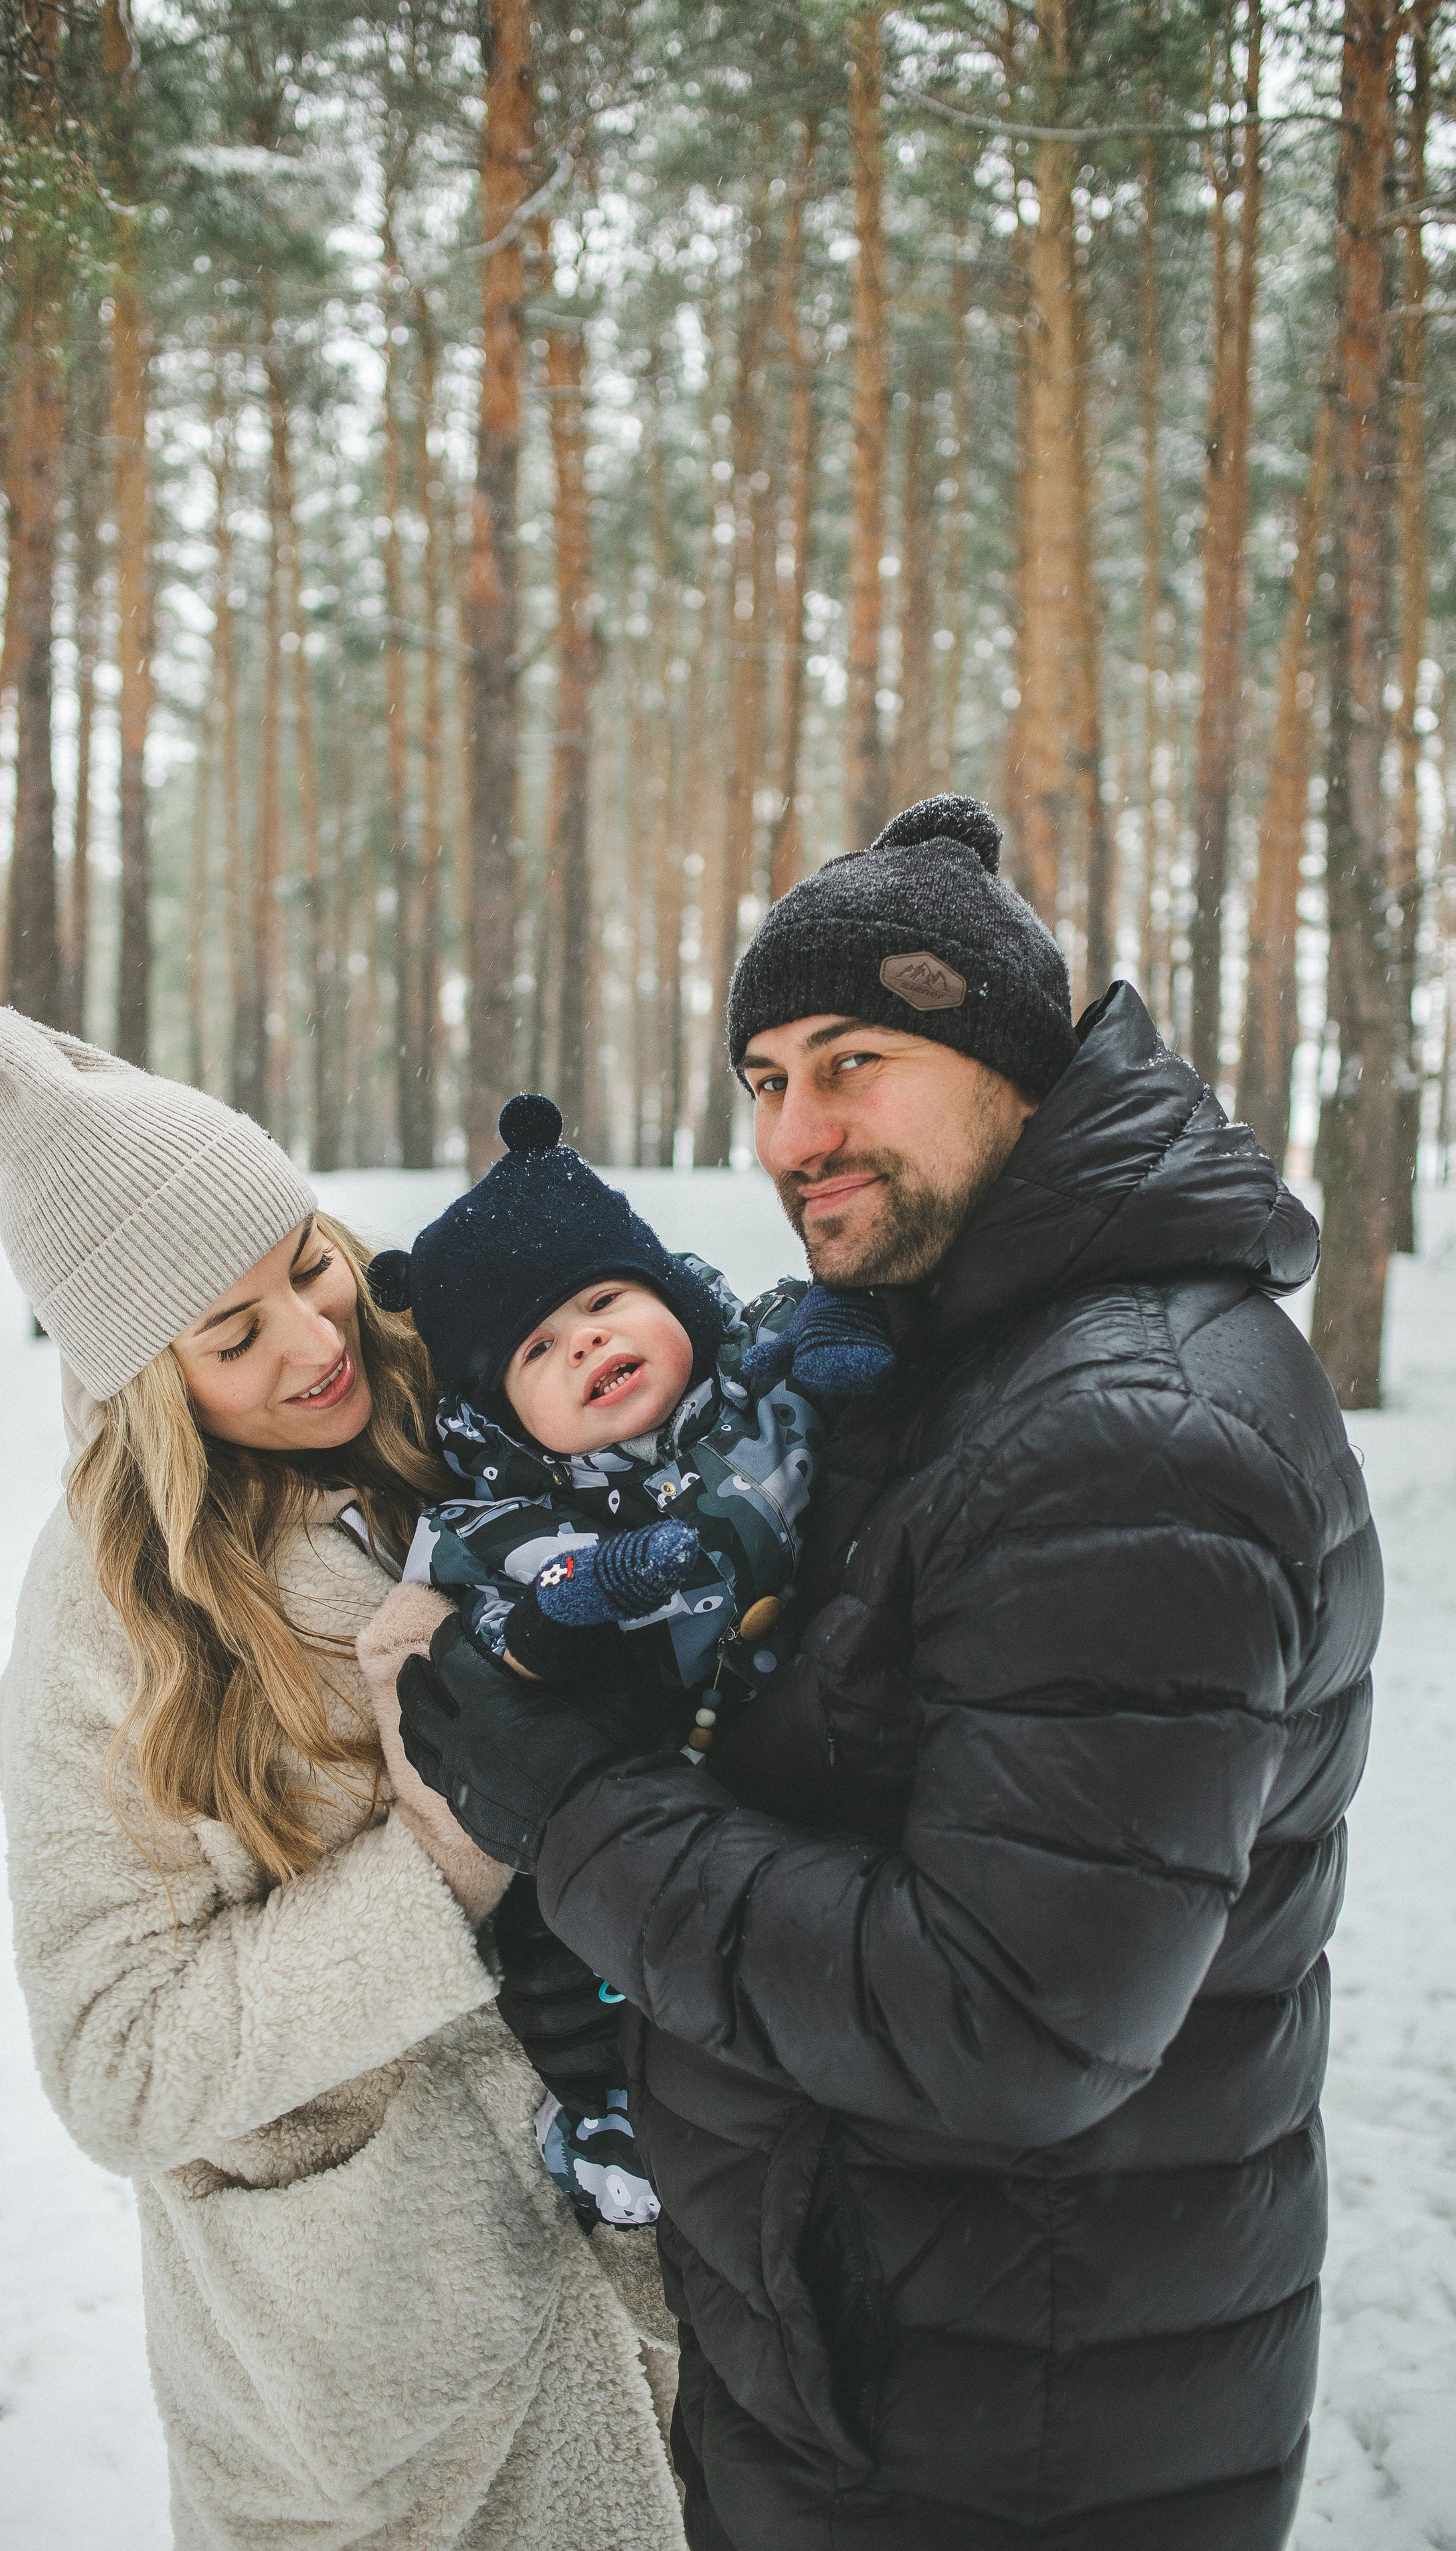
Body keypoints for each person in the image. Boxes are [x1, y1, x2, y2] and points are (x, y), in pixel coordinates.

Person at [388, 795, 1384, 2550]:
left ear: (1007, 1055)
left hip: (1007, 2451)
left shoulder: (1132, 1431)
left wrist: (575, 1808)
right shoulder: (953, 1351)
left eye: (852, 1061)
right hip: (907, 2373)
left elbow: (1010, 2016)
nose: (794, 1132)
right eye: (765, 1078)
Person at [0, 1003, 682, 2551]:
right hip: (376, 2390)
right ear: (147, 1381)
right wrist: (445, 1864)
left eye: (303, 1260)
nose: (314, 1337)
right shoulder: (107, 1622)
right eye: (233, 1335)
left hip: (662, 2288)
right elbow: (116, 2060)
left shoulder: (460, 1406)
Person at [367, 1088, 894, 2231]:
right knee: (582, 1956)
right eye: (540, 1350)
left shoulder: (754, 1379)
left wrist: (850, 1347)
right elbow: (480, 1653)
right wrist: (578, 1605)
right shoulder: (508, 1518)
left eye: (608, 1300)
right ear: (505, 1414)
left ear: (668, 1295)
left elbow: (812, 1326)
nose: (590, 1341)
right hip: (646, 1795)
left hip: (804, 1767)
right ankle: (605, 2108)